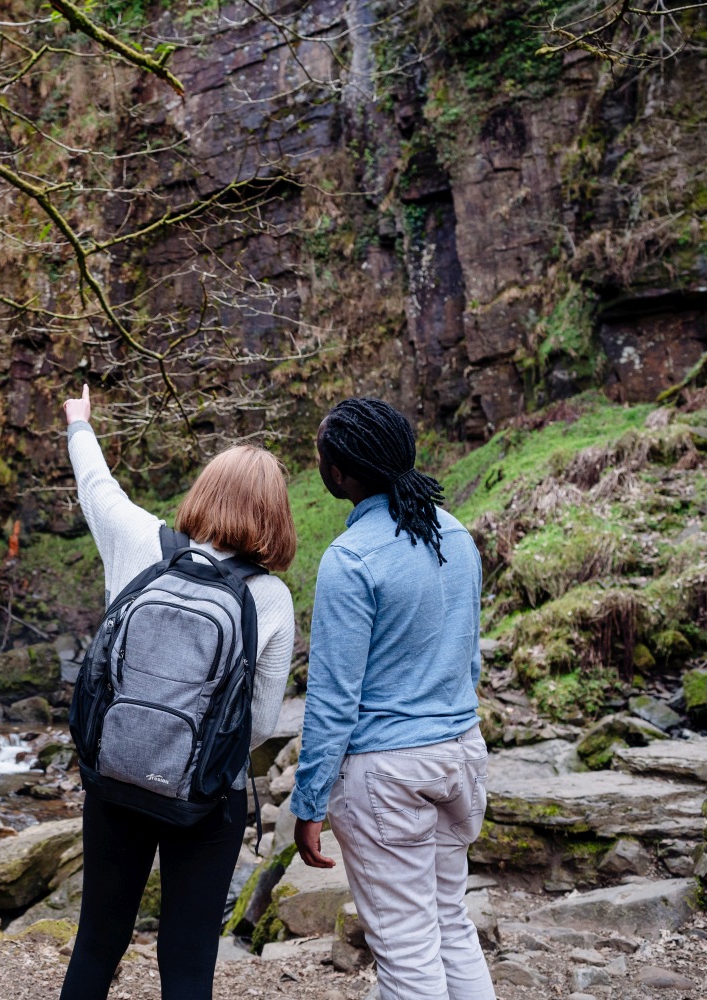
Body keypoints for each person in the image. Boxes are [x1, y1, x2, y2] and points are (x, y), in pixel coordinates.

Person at [59, 384, 297, 1000]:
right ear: (276, 515)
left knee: (96, 942)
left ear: (204, 493)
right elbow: (262, 722)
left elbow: (98, 489)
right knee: (188, 962)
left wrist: (80, 423)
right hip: (206, 801)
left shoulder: (142, 545)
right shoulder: (270, 597)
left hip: (116, 781)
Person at [289, 397, 495, 1000]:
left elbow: (333, 700)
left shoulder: (350, 560)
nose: (320, 464)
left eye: (323, 455)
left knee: (406, 950)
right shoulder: (456, 536)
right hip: (460, 755)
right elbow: (469, 659)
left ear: (343, 473)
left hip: (388, 774)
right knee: (450, 923)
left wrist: (309, 803)